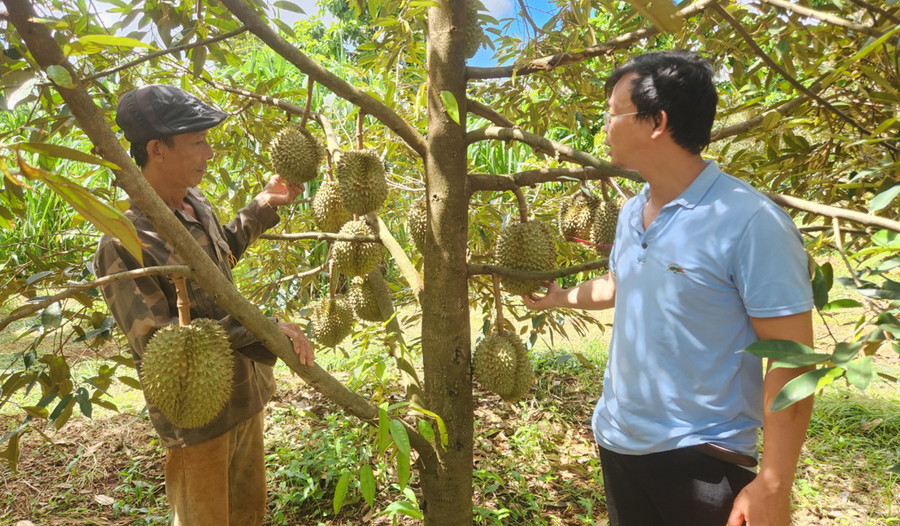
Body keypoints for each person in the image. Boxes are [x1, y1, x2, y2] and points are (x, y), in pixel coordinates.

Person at [524, 51, 815, 526]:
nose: (605, 124)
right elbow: (621, 283)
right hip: (619, 441)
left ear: (656, 122)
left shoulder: (750, 222)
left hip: (703, 457)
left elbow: (794, 358)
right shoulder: (630, 210)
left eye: (613, 113)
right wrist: (559, 297)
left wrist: (773, 482)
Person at [93, 84, 315, 525]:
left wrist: (262, 204)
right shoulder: (123, 241)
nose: (208, 153)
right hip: (198, 425)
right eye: (198, 142)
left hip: (244, 395)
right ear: (156, 149)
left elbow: (221, 256)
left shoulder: (196, 204)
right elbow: (161, 341)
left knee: (249, 515)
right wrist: (266, 328)